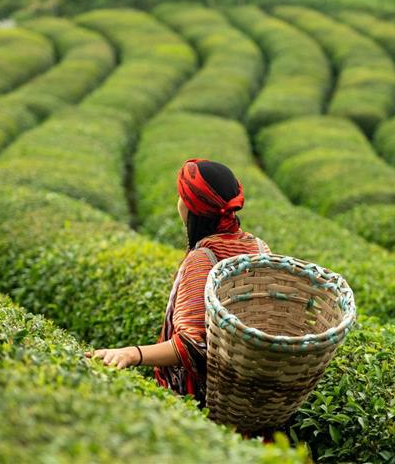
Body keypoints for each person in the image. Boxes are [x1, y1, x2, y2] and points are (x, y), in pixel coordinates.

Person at [88, 158, 270, 408]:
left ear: (190, 207)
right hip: (252, 396)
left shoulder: (203, 259)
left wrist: (131, 353)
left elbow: (193, 344)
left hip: (205, 402)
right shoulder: (259, 249)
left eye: (180, 196)